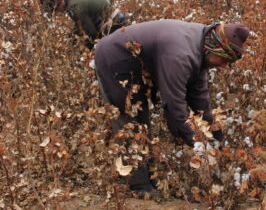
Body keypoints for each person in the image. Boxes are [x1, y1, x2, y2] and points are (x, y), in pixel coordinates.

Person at [94, 19, 250, 195]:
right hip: (114, 59)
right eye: (224, 59)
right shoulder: (180, 55)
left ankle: (149, 175)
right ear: (214, 46)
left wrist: (213, 128)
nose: (223, 66)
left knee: (143, 124)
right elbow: (174, 104)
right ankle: (138, 185)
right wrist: (197, 142)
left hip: (137, 65)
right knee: (131, 121)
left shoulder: (201, 45)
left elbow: (198, 95)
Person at [39, 0, 126, 49]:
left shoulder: (75, 7)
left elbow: (91, 34)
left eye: (56, 10)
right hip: (112, 18)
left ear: (59, 3)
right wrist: (71, 36)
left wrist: (87, 49)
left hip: (113, 24)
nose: (58, 12)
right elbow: (80, 23)